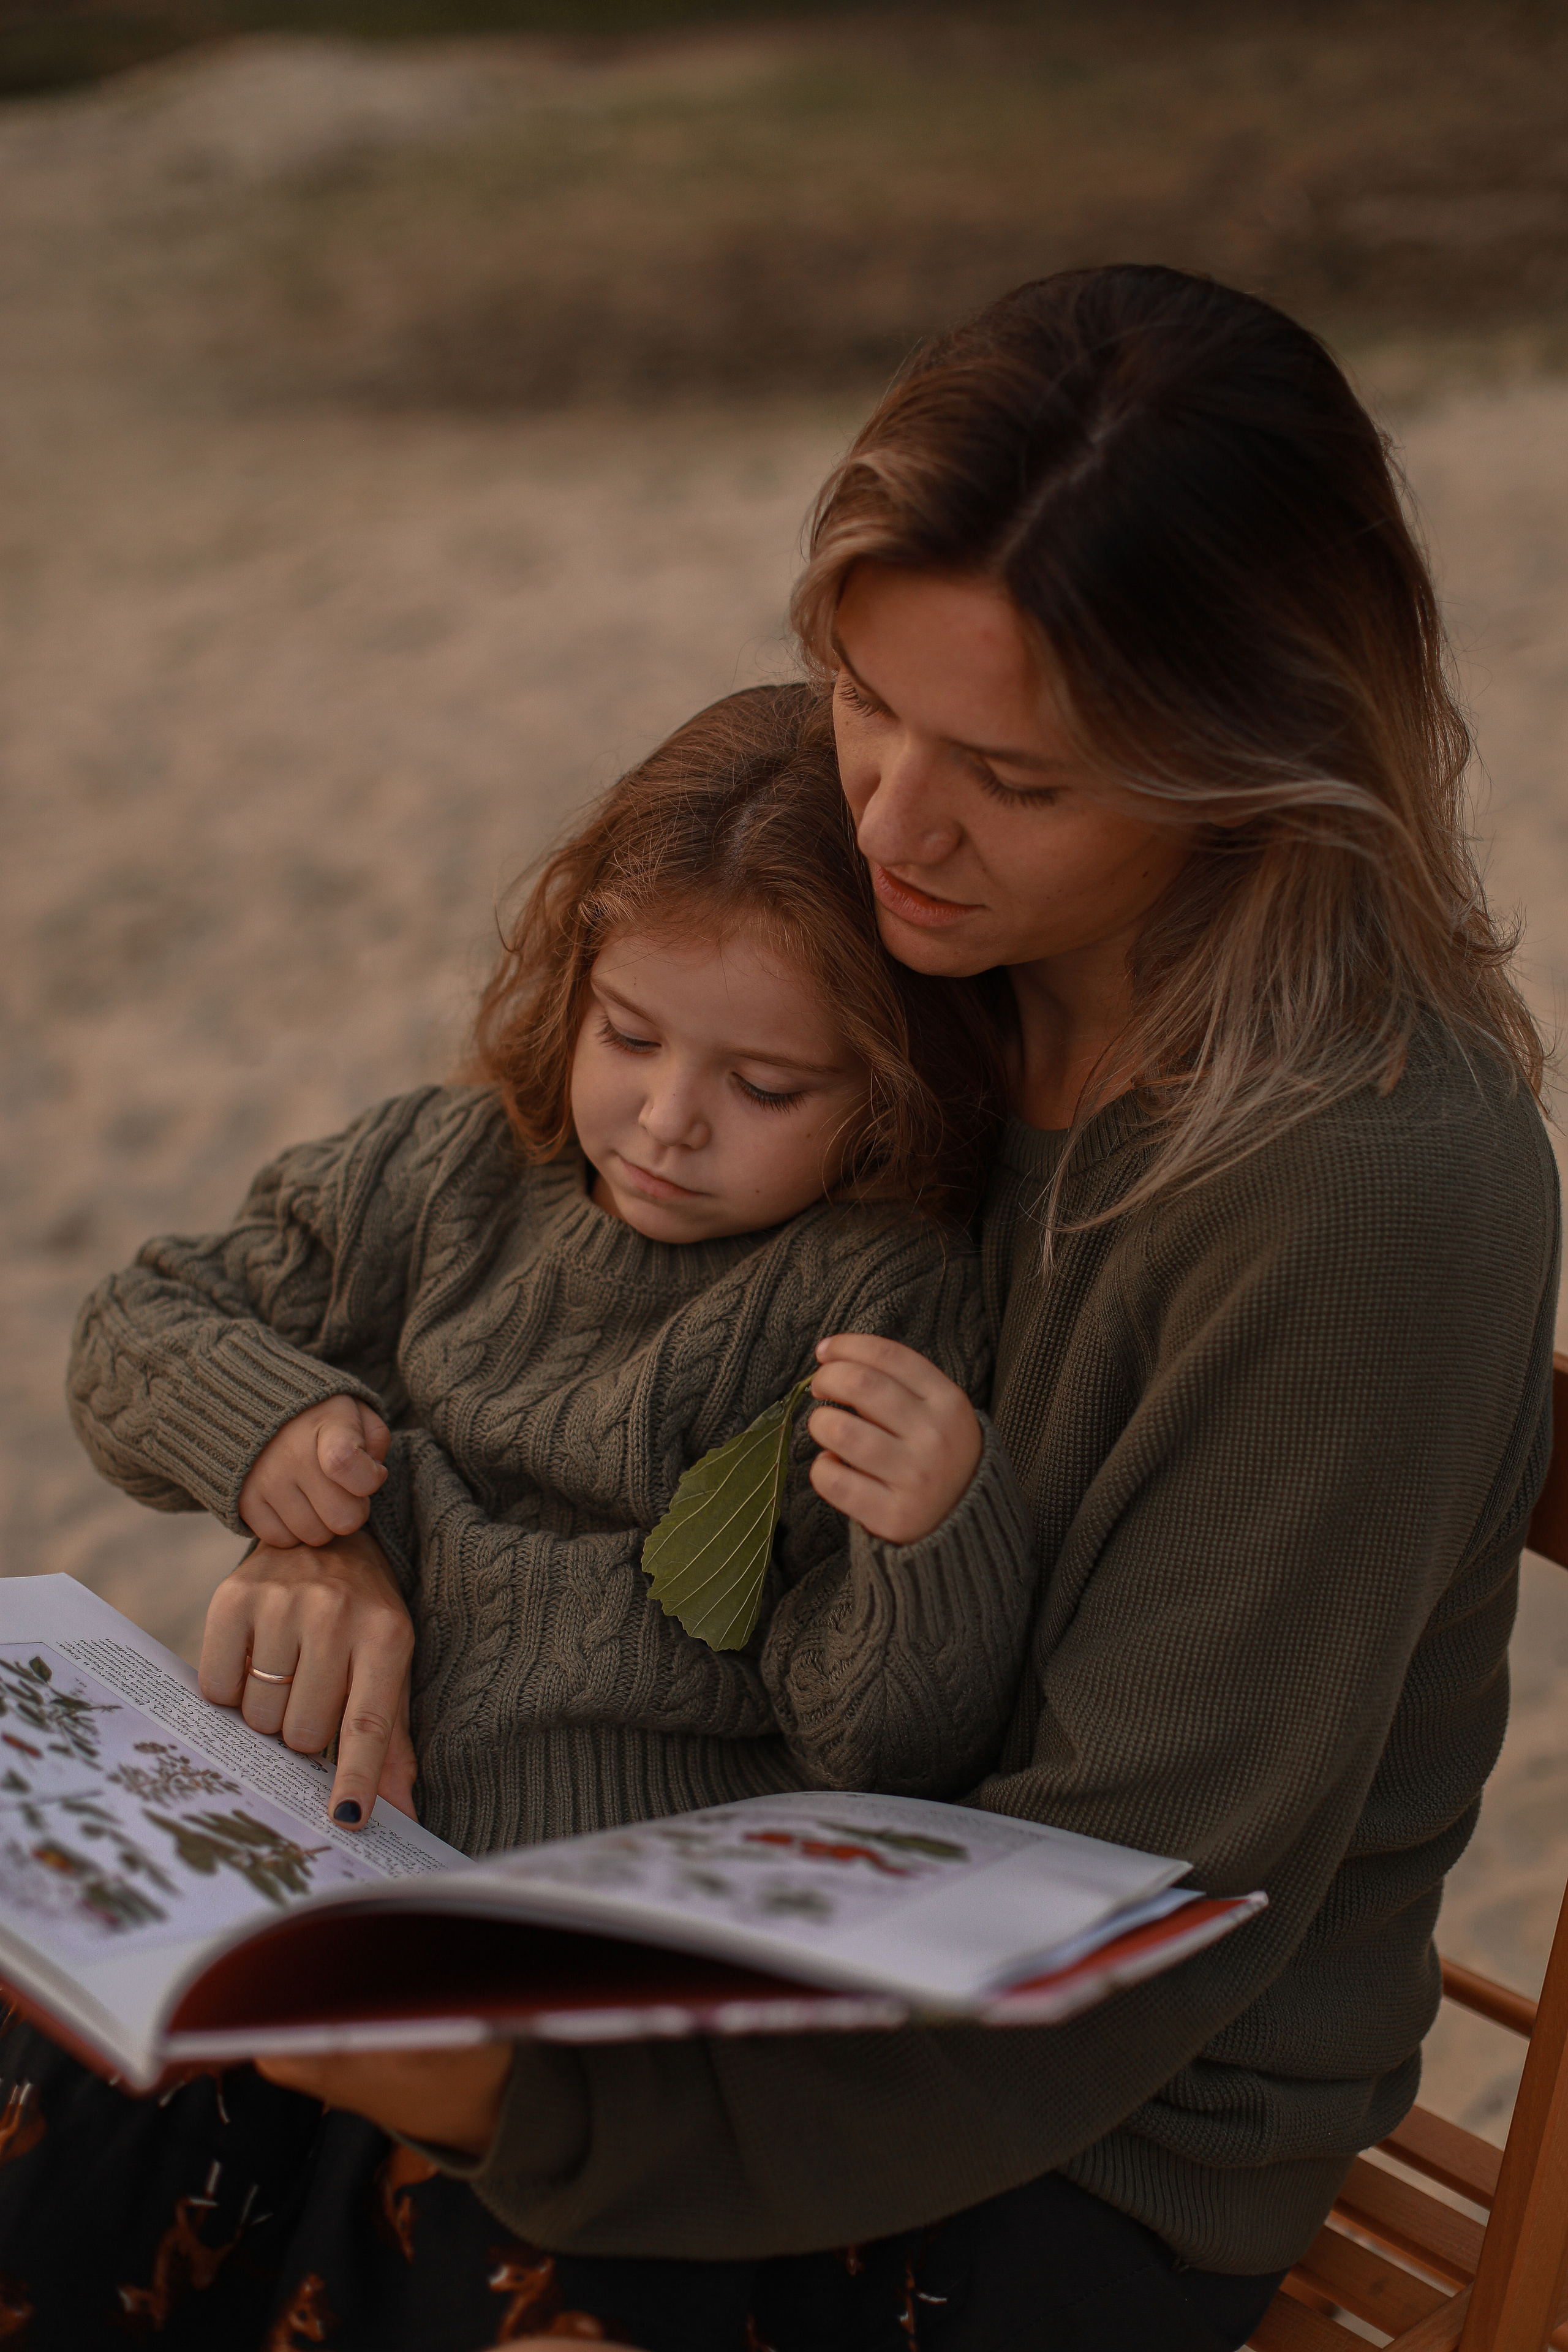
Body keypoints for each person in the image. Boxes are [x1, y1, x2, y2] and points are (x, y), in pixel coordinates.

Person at [6, 260, 1559, 2352]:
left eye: (1015, 770)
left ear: (1254, 754)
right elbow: (520, 1295)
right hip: (658, 1878)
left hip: (1061, 2122)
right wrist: (352, 1541)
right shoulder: (914, 959)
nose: (894, 821)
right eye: (867, 700)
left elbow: (1143, 1911)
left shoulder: (1356, 1186)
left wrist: (527, 2098)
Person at [0, 684, 1033, 2348]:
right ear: (574, 977)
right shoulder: (454, 1168)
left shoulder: (875, 1292)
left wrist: (933, 1529)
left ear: (894, 1091)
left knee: (421, 2253)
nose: (667, 1118)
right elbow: (138, 1321)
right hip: (322, 1862)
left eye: (767, 1083)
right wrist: (264, 1427)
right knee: (74, 2128)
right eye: (629, 1032)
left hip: (592, 1951)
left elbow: (880, 1734)